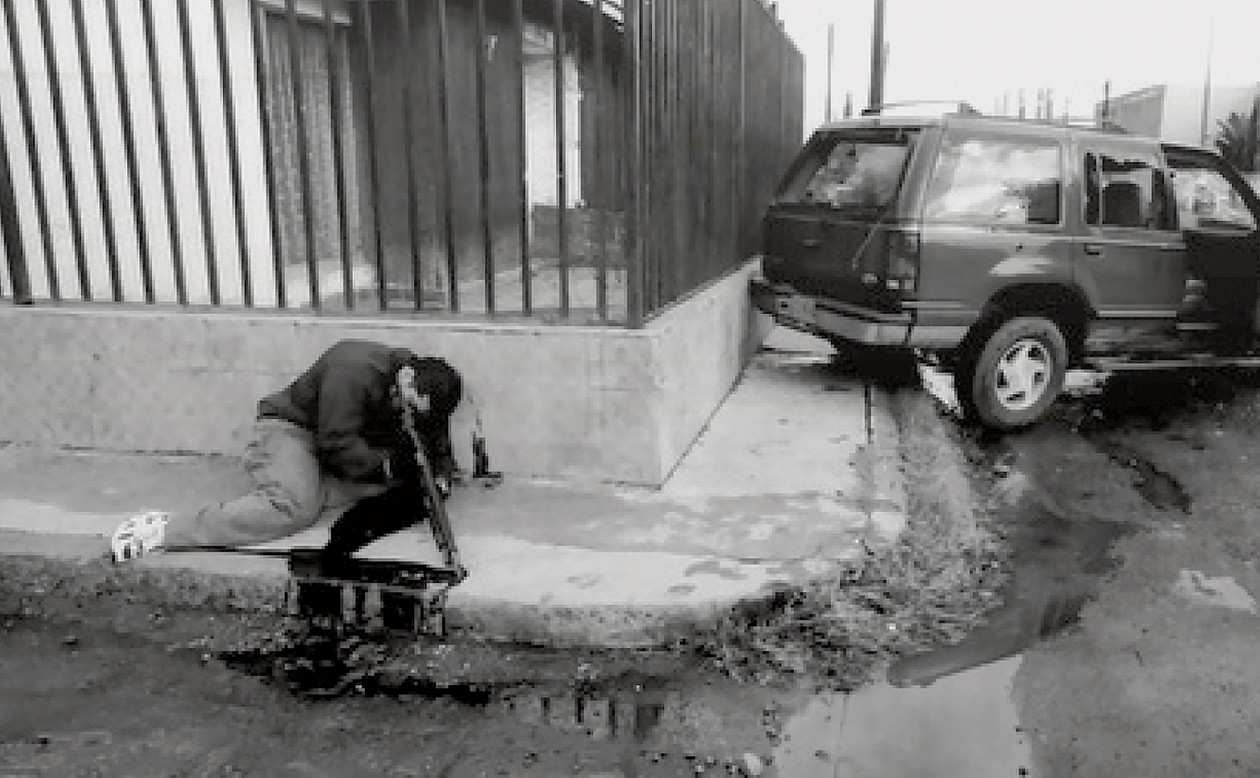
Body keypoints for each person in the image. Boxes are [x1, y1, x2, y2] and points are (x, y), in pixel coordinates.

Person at [110, 339, 462, 563]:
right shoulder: (351, 369)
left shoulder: (425, 389)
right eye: (412, 406)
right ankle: (164, 529)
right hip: (291, 432)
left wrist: (439, 473)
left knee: (404, 487)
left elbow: (434, 436)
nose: (412, 413)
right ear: (406, 379)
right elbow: (337, 443)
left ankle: (306, 485)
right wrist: (387, 464)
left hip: (339, 449)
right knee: (293, 510)